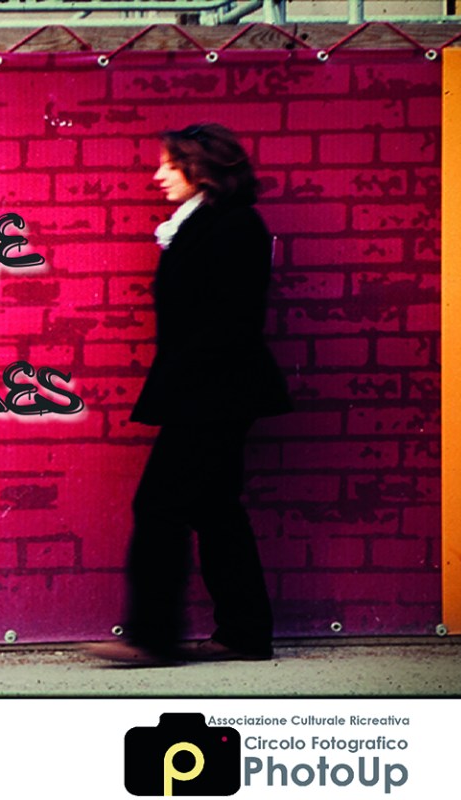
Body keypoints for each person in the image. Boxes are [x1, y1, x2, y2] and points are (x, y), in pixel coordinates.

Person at [85, 123, 291, 666]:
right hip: (210, 390)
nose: (158, 175)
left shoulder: (232, 225)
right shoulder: (204, 223)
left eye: (169, 165)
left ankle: (153, 637)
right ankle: (245, 633)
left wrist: (185, 392)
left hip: (212, 393)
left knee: (159, 505)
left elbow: (227, 321)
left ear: (202, 168)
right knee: (215, 508)